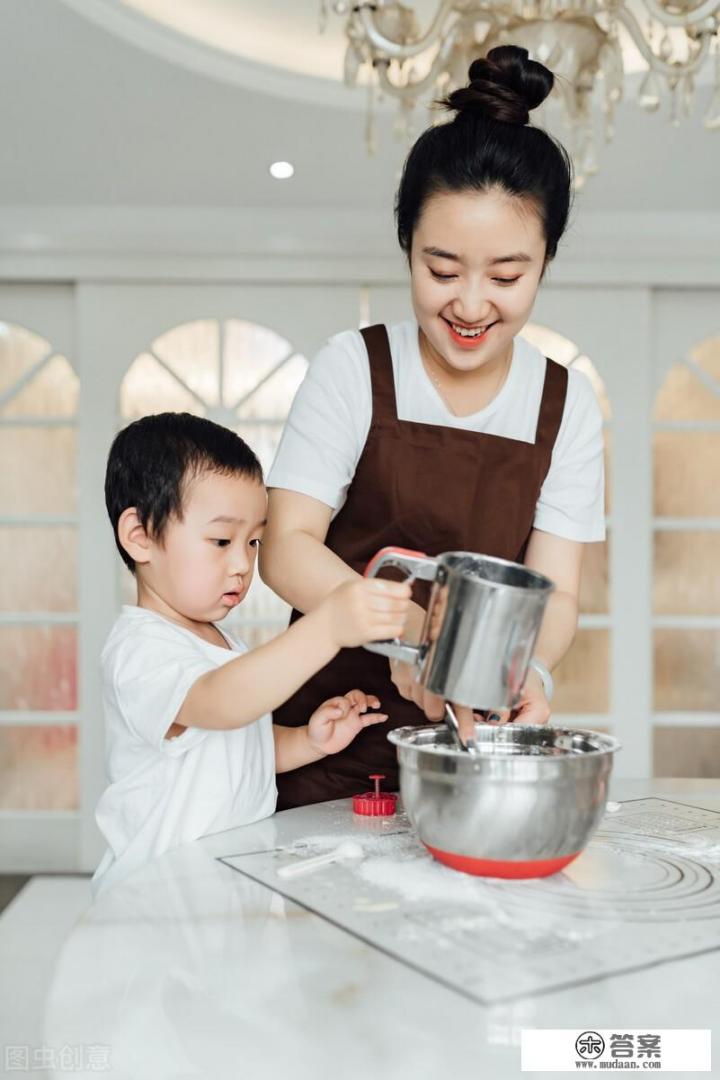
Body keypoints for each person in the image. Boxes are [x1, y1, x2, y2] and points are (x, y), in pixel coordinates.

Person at [260, 45, 606, 809]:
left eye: (507, 276)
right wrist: (419, 634)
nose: (472, 304)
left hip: (468, 747)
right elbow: (285, 551)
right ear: (405, 247)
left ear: (545, 262)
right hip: (322, 738)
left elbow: (556, 598)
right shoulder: (355, 367)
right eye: (441, 270)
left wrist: (526, 677)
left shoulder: (565, 405)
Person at [92, 412, 410, 895]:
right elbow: (221, 703)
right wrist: (327, 627)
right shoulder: (139, 649)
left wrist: (309, 740)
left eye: (254, 541)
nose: (243, 564)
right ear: (140, 536)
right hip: (156, 899)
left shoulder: (222, 643)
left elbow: (238, 749)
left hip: (222, 889)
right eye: (221, 540)